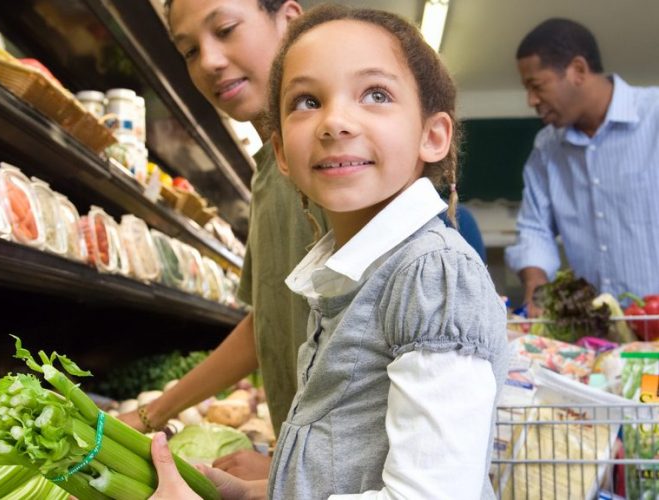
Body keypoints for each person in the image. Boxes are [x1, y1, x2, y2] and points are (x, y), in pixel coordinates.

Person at [150, 5, 509, 499]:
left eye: (375, 94)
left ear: (433, 136)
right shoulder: (347, 274)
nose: (334, 121)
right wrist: (256, 493)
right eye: (305, 101)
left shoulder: (431, 275)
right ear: (280, 152)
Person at [120, 0, 328, 480]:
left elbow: (383, 340)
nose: (209, 61)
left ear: (290, 19)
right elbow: (268, 322)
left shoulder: (336, 162)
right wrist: (153, 413)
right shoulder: (267, 175)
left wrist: (288, 466)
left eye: (226, 29)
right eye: (189, 50)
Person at [504, 18, 659, 316]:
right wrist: (537, 287)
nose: (531, 100)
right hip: (597, 330)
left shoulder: (654, 117)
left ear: (578, 70)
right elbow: (535, 228)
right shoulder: (547, 148)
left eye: (537, 86)